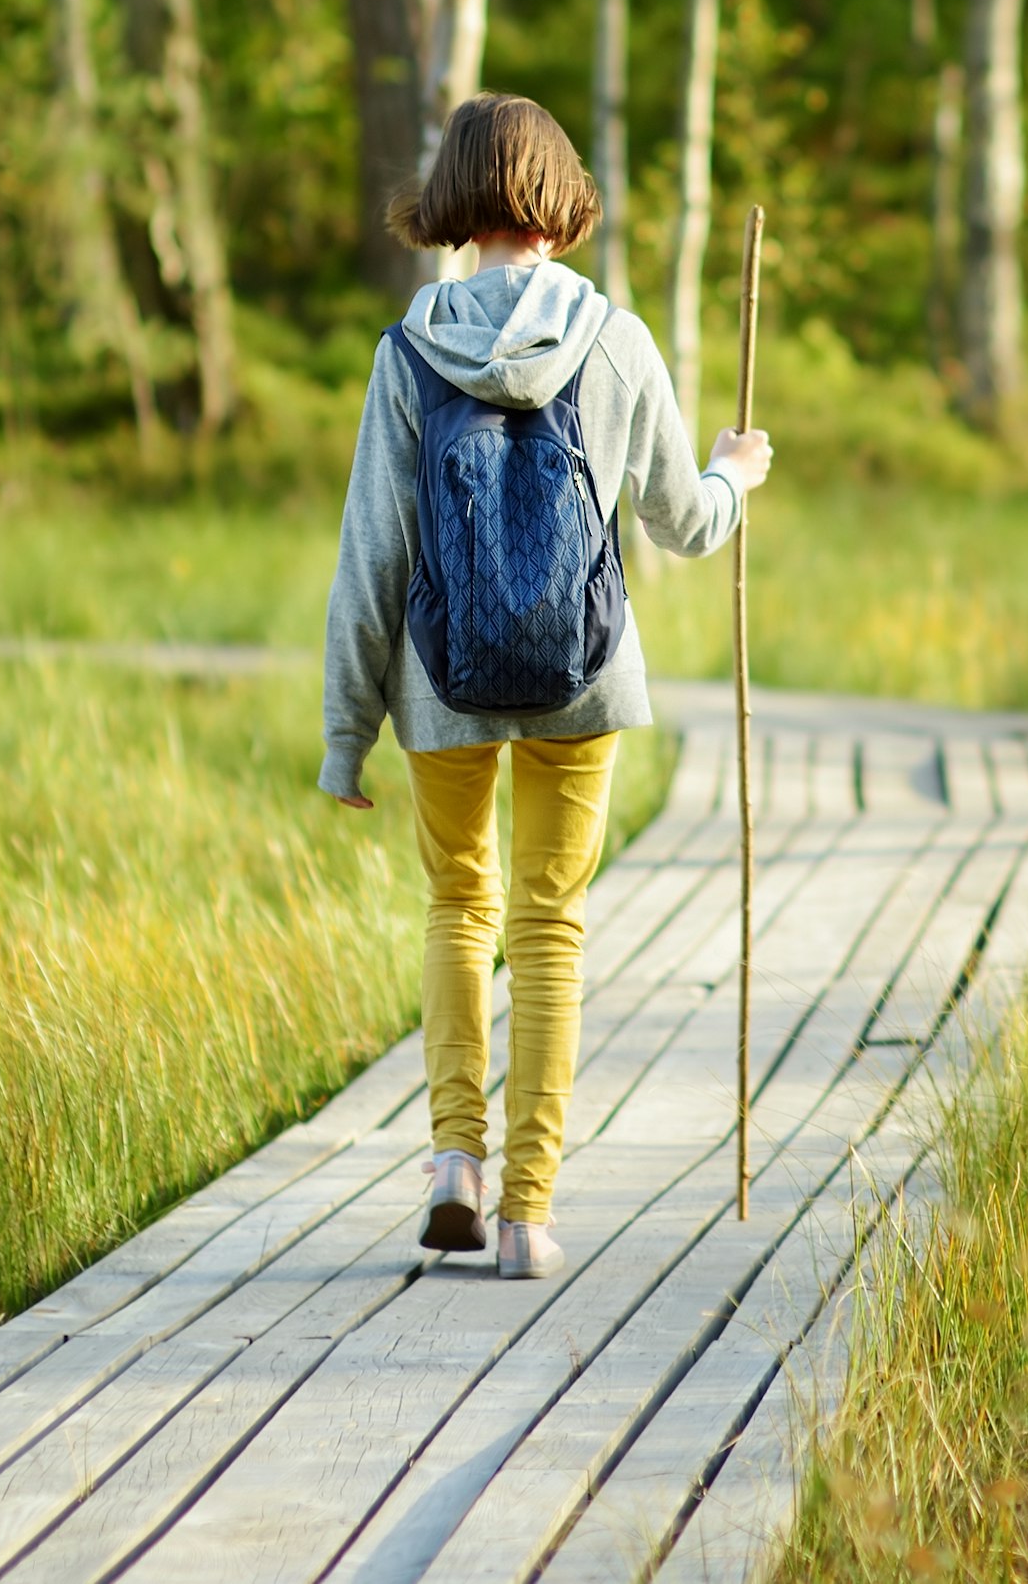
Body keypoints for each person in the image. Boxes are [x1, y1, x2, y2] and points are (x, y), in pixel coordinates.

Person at [320, 93, 773, 1279]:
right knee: (549, 927)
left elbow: (374, 553)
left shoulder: (407, 350)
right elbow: (679, 523)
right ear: (562, 208)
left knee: (458, 908)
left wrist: (343, 734)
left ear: (455, 204)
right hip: (581, 683)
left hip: (440, 683)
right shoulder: (615, 338)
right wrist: (736, 477)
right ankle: (527, 1214)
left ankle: (453, 1165)